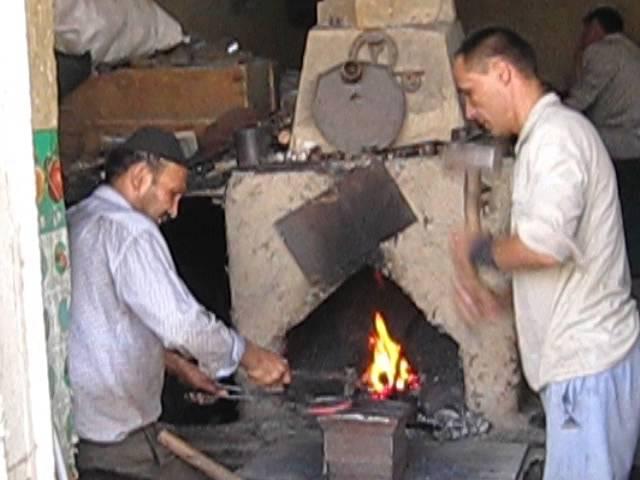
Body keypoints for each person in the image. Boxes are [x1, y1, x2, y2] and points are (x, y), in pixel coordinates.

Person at [450, 27, 640, 479]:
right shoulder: (542, 140)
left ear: (502, 73)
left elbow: (545, 247)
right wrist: (504, 303)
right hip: (584, 370)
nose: (471, 112)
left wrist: (478, 250)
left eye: (471, 94)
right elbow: (561, 260)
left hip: (587, 373)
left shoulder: (557, 140)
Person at [68, 127, 291, 479]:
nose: (174, 210)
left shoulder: (78, 219)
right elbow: (182, 325)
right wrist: (250, 356)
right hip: (122, 444)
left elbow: (101, 329)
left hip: (87, 434)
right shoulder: (130, 230)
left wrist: (179, 367)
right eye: (172, 194)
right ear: (140, 177)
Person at [565, 6, 640, 160]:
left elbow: (580, 100)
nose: (582, 38)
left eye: (585, 32)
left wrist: (551, 112)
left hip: (618, 140)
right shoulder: (633, 51)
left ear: (595, 27)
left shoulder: (602, 51)